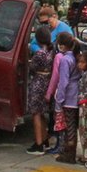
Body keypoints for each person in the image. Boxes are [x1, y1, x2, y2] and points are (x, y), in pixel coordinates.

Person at [53, 32, 82, 165]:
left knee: (68, 126)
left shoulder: (65, 60)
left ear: (62, 45)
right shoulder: (76, 57)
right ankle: (71, 152)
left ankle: (69, 154)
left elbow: (63, 82)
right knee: (73, 126)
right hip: (77, 94)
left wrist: (59, 100)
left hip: (69, 97)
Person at [26, 26, 55, 155]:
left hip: (38, 83)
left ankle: (38, 144)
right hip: (47, 82)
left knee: (36, 113)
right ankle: (44, 139)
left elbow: (32, 68)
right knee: (43, 112)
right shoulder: (51, 52)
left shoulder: (39, 54)